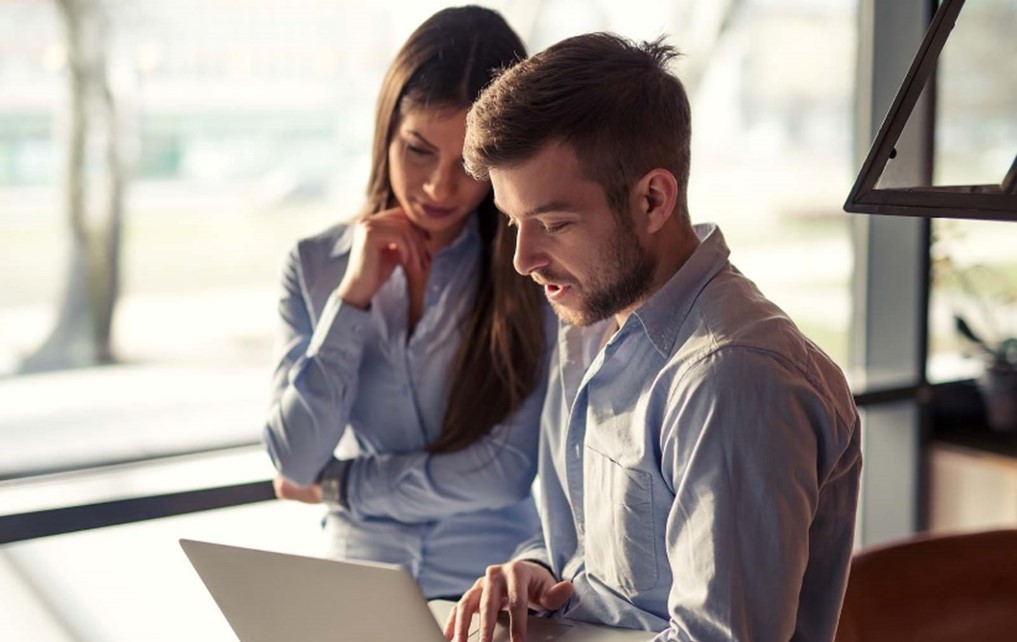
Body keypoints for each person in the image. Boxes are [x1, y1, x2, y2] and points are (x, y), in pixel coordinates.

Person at [445, 33, 862, 642]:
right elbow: (585, 554)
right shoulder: (588, 326)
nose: (523, 259)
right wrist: (536, 570)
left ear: (653, 199)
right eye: (514, 222)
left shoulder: (733, 378)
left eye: (554, 223)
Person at [262, 6, 552, 600]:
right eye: (418, 150)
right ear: (386, 131)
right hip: (354, 591)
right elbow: (294, 460)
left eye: (468, 164)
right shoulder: (316, 267)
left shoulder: (534, 274)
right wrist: (354, 298)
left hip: (491, 598)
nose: (440, 188)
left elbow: (502, 474)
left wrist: (341, 486)